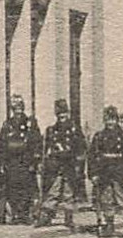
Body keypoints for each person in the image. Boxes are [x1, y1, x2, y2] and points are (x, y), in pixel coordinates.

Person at [87, 106, 123, 238]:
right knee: (106, 200)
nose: (110, 123)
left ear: (116, 120)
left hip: (120, 174)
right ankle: (109, 225)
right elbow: (92, 157)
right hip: (104, 174)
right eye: (107, 120)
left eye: (112, 120)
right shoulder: (99, 137)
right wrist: (93, 174)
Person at [36, 99, 87, 231]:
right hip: (56, 166)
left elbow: (82, 148)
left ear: (68, 114)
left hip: (70, 165)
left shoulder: (75, 130)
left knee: (68, 193)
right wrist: (44, 163)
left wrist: (78, 165)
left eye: (64, 115)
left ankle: (68, 218)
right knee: (53, 191)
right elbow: (45, 150)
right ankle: (45, 216)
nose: (62, 118)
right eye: (59, 116)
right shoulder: (52, 130)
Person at [0, 94, 43, 224]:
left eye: (20, 108)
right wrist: (2, 162)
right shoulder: (7, 124)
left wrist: (35, 161)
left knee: (27, 188)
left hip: (26, 161)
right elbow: (1, 144)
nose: (18, 111)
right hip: (12, 162)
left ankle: (25, 214)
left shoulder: (30, 123)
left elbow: (37, 142)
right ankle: (16, 214)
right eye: (15, 108)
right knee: (13, 188)